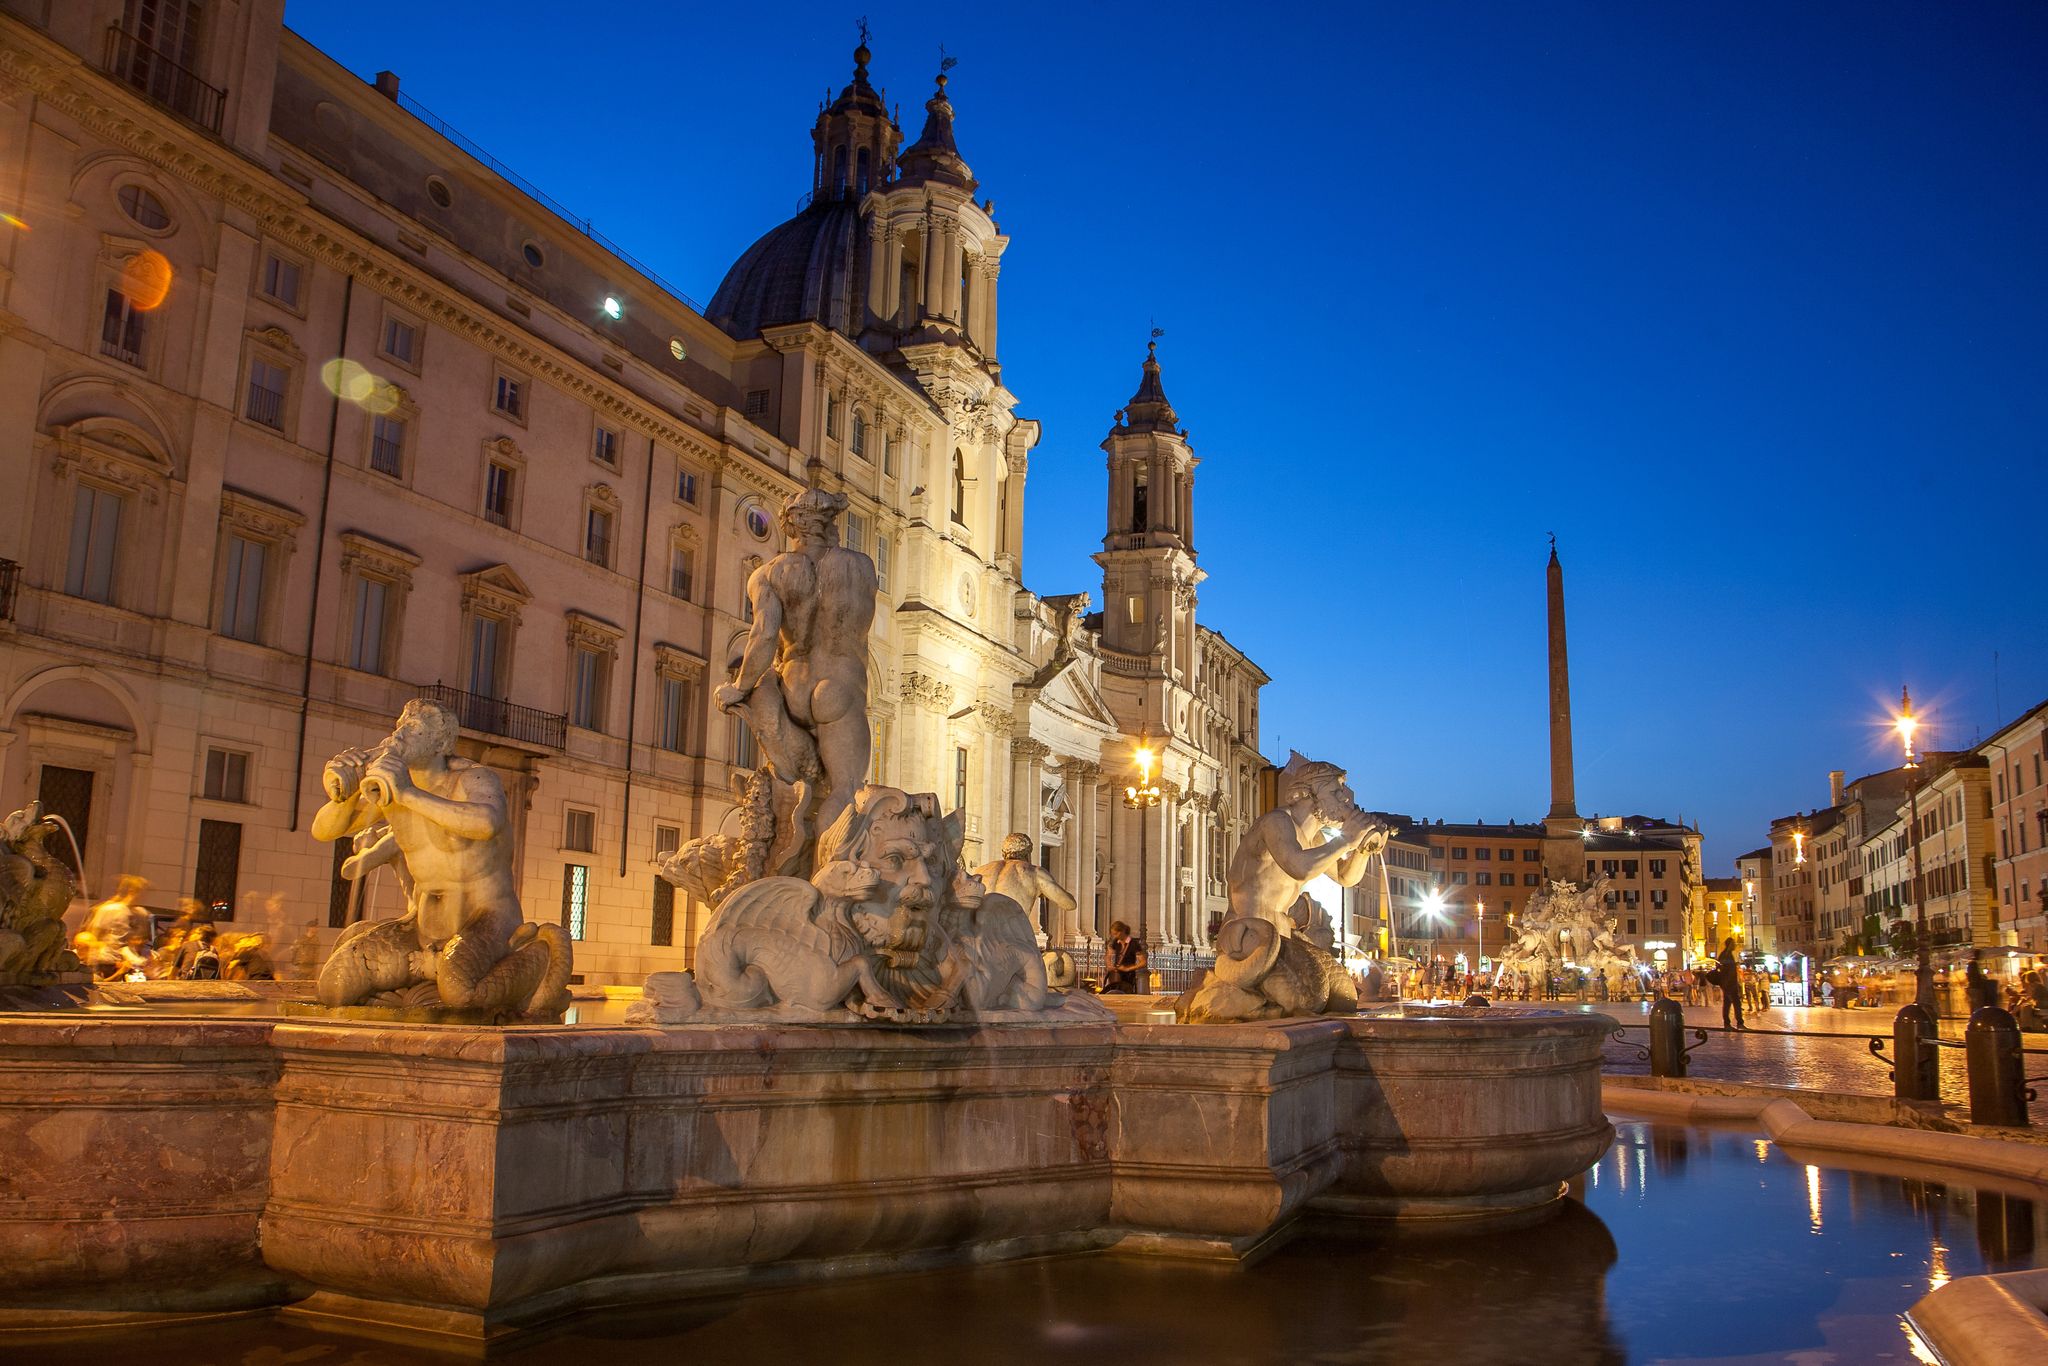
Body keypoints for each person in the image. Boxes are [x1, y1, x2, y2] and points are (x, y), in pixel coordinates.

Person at [714, 487, 877, 853]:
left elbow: (763, 636)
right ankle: (827, 880)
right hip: (839, 685)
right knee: (845, 792)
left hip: (792, 688)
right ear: (830, 523)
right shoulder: (860, 567)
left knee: (794, 787)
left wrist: (739, 686)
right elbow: (860, 627)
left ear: (790, 526)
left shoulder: (769, 574)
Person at [973, 833, 1079, 943]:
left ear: (1003, 852)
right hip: (1011, 940)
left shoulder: (981, 870)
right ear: (1028, 853)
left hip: (977, 937)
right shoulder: (1034, 872)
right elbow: (1069, 904)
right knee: (1062, 959)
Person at [1102, 920, 1147, 993]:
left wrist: (1128, 969)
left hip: (1128, 977)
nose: (1114, 936)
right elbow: (1108, 955)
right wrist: (1109, 965)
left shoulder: (1133, 944)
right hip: (1116, 976)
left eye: (1116, 934)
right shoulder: (1116, 942)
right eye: (1113, 934)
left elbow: (1143, 962)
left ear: (1122, 931)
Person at [1717, 936, 1744, 1030]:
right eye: (1734, 943)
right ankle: (1738, 1023)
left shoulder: (1725, 955)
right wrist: (1727, 983)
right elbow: (1725, 970)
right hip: (1729, 984)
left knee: (1727, 1003)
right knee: (1736, 1003)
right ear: (1730, 944)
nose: (1735, 945)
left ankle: (1727, 1024)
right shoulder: (1726, 955)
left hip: (1728, 983)